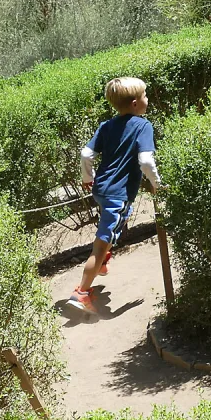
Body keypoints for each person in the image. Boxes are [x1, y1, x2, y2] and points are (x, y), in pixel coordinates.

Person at [65, 76, 161, 317]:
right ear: (135, 103)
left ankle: (103, 261)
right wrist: (156, 184)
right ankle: (81, 292)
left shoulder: (106, 126)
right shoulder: (143, 126)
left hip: (101, 190)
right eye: (145, 95)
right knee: (99, 246)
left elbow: (86, 154)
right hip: (118, 195)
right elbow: (146, 161)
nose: (147, 99)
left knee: (111, 230)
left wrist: (88, 178)